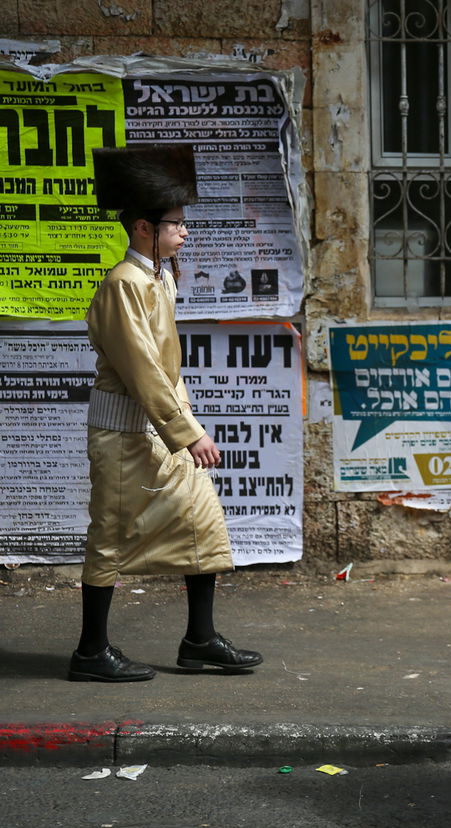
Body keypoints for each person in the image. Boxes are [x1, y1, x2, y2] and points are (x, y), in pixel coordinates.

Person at [68, 144, 263, 683]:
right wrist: (188, 432)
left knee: (204, 524)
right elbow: (142, 369)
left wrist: (180, 430)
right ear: (141, 228)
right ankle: (90, 652)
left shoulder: (159, 277)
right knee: (109, 537)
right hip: (126, 436)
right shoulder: (122, 285)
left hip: (162, 434)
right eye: (174, 223)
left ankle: (199, 641)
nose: (184, 231)